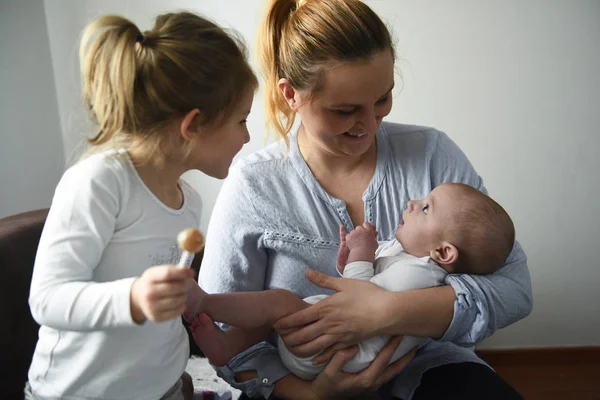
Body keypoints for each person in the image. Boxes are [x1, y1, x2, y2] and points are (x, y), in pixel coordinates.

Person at [192, 0, 532, 399]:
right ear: (291, 95)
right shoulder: (254, 186)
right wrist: (310, 394)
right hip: (300, 381)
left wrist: (385, 312)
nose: (369, 125)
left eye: (382, 100)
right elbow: (226, 335)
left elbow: (513, 289)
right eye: (345, 110)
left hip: (428, 367)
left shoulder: (431, 153)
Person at [26, 11, 257, 400]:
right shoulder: (100, 182)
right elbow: (47, 298)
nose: (247, 137)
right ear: (193, 125)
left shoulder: (189, 202)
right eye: (241, 121)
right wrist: (132, 298)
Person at [186, 183, 515, 381]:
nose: (413, 203)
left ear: (443, 252)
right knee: (273, 316)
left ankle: (204, 303)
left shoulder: (423, 275)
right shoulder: (407, 257)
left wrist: (362, 253)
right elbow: (360, 283)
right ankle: (229, 346)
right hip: (331, 347)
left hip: (336, 352)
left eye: (426, 208)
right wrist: (351, 258)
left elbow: (363, 299)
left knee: (279, 303)